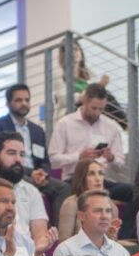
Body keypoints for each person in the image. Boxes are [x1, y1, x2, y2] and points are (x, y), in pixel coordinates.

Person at [48, 83, 133, 225]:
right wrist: (78, 157)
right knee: (66, 191)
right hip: (74, 179)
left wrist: (111, 157)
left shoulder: (111, 126)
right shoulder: (65, 124)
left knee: (133, 191)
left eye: (101, 109)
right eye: (94, 108)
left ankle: (123, 233)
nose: (97, 113)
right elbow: (53, 160)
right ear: (84, 101)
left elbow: (120, 163)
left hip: (101, 180)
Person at [0, 84, 71, 220]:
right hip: (10, 172)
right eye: (18, 100)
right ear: (8, 103)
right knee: (25, 182)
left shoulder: (37, 130)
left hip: (36, 175)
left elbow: (44, 161)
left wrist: (43, 173)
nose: (24, 103)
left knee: (64, 188)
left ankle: (57, 233)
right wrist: (32, 173)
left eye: (27, 100)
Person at [57, 158, 121, 241]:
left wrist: (109, 236)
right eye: (91, 174)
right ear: (82, 178)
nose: (98, 179)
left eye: (100, 173)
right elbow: (63, 242)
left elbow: (113, 243)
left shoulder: (111, 206)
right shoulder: (71, 204)